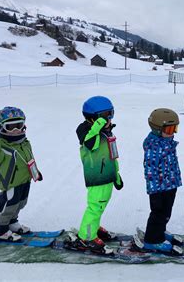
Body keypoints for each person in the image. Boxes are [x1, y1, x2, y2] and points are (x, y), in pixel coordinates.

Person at [0, 106, 42, 242]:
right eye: (10, 127)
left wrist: (36, 172)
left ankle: (11, 223)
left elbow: (29, 158)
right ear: (1, 127)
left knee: (20, 203)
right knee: (7, 206)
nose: (16, 130)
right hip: (11, 182)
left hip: (25, 180)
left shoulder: (24, 143)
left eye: (19, 125)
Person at [68, 96, 123, 255]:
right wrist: (99, 126)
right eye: (105, 115)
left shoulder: (106, 131)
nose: (109, 118)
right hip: (97, 178)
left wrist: (116, 176)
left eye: (111, 113)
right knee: (95, 206)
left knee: (100, 205)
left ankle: (93, 226)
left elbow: (112, 157)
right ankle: (86, 238)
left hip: (107, 176)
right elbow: (91, 143)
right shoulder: (86, 132)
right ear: (93, 118)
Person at [142, 108, 182, 254]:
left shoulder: (168, 142)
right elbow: (150, 170)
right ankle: (152, 240)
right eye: (169, 128)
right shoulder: (153, 146)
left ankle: (160, 231)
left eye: (175, 128)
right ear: (158, 129)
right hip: (158, 189)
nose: (172, 132)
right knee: (158, 213)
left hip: (170, 184)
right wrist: (154, 191)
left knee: (166, 212)